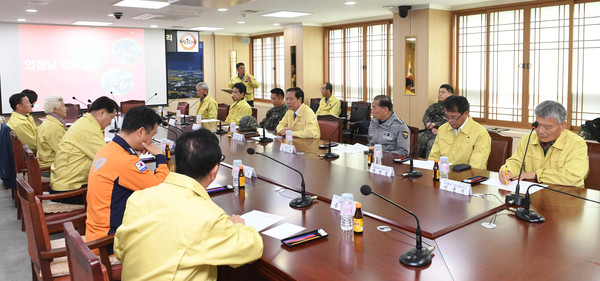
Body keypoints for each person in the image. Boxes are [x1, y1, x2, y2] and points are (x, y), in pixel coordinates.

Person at [114, 128, 263, 281]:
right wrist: (239, 226)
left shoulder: (139, 198)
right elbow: (252, 249)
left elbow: (119, 250)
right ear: (214, 170)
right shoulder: (208, 217)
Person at [86, 106, 169, 250]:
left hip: (95, 232)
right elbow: (160, 187)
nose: (151, 140)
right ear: (141, 131)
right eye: (153, 135)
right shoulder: (124, 161)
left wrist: (134, 156)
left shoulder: (108, 148)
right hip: (108, 241)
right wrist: (160, 156)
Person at [499, 101, 589, 188]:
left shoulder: (576, 144)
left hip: (565, 196)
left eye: (548, 127)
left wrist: (536, 175)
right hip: (532, 192)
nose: (540, 131)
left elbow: (574, 177)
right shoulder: (527, 139)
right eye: (537, 125)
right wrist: (508, 171)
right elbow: (516, 162)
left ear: (562, 126)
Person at [50, 96, 118, 204]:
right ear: (102, 113)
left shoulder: (85, 122)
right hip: (69, 191)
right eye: (111, 117)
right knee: (119, 193)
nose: (110, 122)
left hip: (63, 184)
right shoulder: (89, 130)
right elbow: (108, 159)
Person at [428, 95, 491, 169]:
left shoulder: (480, 133)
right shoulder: (442, 129)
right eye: (446, 117)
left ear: (465, 113)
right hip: (442, 175)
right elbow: (433, 157)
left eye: (453, 117)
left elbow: (476, 166)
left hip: (466, 177)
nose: (449, 121)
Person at [417, 84, 453, 158]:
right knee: (419, 138)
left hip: (444, 133)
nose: (440, 94)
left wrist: (435, 124)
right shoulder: (433, 106)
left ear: (450, 94)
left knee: (432, 144)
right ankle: (414, 161)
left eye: (443, 92)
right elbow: (426, 117)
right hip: (431, 131)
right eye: (439, 92)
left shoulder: (452, 108)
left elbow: (450, 121)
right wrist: (432, 128)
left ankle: (429, 165)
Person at [36, 96, 67, 170]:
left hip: (49, 163)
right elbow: (62, 151)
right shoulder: (54, 127)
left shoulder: (49, 122)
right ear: (55, 109)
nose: (66, 108)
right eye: (63, 106)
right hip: (51, 167)